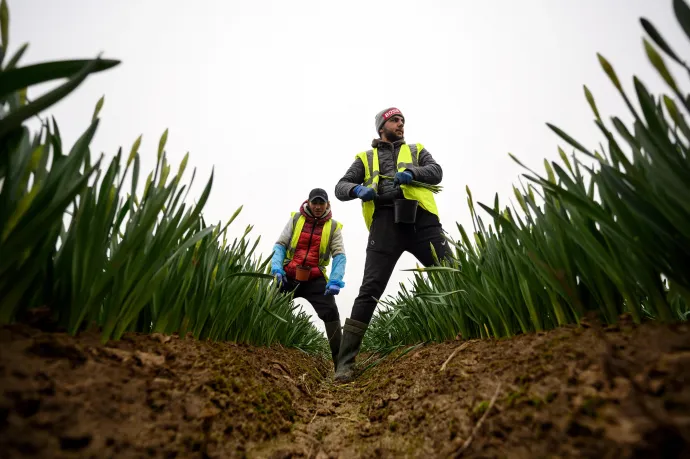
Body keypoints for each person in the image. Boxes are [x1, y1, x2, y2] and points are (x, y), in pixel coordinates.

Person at [333, 107, 450, 382]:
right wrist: (357, 190)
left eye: (402, 121)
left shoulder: (416, 149)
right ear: (381, 126)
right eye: (395, 120)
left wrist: (412, 171)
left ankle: (474, 331)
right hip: (385, 223)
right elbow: (340, 186)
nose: (401, 124)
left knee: (450, 270)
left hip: (421, 220)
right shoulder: (365, 158)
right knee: (370, 288)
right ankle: (345, 364)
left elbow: (436, 172)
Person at [270, 188, 347, 370]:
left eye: (322, 203)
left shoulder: (334, 227)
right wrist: (276, 268)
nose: (318, 206)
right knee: (270, 305)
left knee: (331, 313)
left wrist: (335, 280)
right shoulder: (296, 219)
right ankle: (263, 348)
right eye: (315, 202)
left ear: (328, 204)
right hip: (289, 275)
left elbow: (339, 254)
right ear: (309, 202)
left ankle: (342, 365)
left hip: (315, 278)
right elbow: (280, 244)